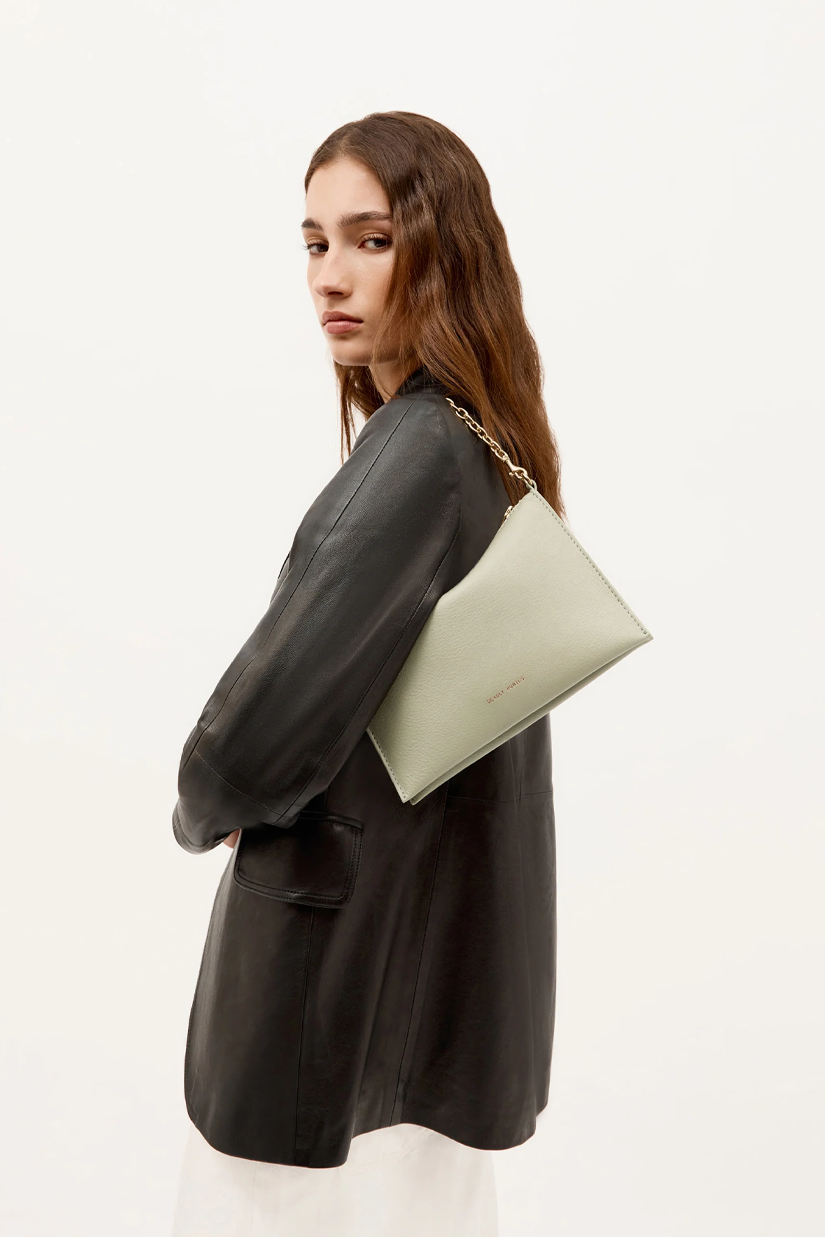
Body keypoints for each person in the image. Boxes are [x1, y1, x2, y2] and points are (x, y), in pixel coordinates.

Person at [171, 110, 566, 1236]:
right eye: (314, 242)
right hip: (424, 992)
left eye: (372, 239)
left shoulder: (418, 450)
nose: (329, 276)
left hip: (328, 996)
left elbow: (248, 742)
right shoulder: (481, 442)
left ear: (443, 250)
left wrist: (202, 808)